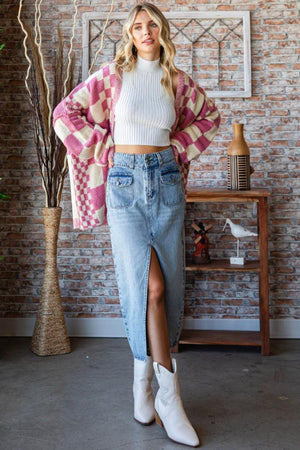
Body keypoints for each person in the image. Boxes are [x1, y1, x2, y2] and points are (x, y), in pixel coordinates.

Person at [53, 2, 220, 447]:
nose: (145, 31)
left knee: (168, 287)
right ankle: (169, 397)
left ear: (162, 31)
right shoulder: (112, 75)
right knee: (148, 286)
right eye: (138, 26)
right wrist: (104, 150)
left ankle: (141, 385)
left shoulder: (176, 80)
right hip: (124, 185)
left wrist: (180, 147)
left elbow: (211, 116)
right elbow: (63, 113)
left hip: (165, 184)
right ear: (129, 33)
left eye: (152, 25)